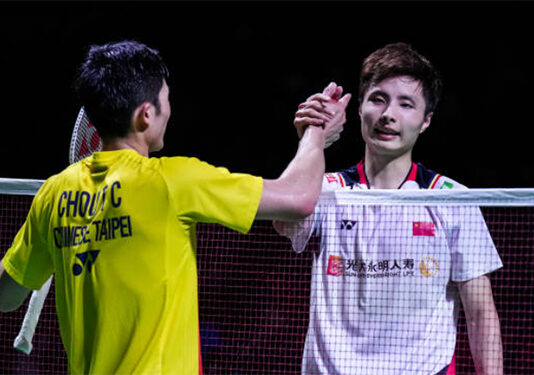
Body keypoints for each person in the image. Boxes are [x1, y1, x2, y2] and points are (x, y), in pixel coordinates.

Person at [0, 40, 351, 375]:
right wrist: (316, 133)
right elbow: (299, 198)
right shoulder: (174, 182)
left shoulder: (54, 194)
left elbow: (6, 296)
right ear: (145, 115)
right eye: (166, 100)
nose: (170, 110)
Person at [274, 42, 503, 375]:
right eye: (378, 99)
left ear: (426, 121)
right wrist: (314, 139)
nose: (388, 114)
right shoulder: (327, 191)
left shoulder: (451, 199)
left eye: (406, 104)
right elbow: (285, 220)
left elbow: (481, 313)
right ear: (359, 108)